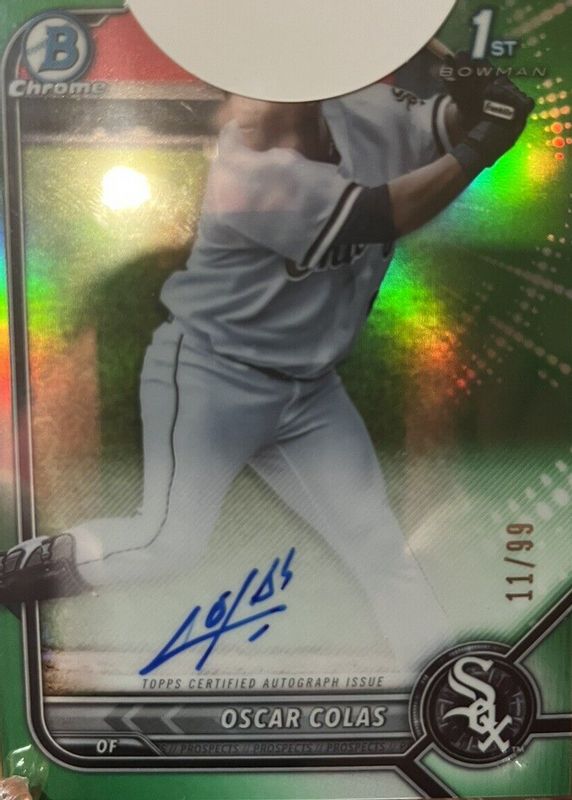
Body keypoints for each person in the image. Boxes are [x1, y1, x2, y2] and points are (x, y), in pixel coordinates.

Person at [0, 61, 534, 670]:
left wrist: (473, 97)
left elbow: (445, 125)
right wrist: (484, 142)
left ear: (305, 89)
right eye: (235, 93)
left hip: (310, 393)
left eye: (253, 88)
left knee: (380, 548)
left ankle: (448, 684)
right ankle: (24, 570)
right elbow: (386, 213)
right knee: (168, 545)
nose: (237, 111)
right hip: (211, 377)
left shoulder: (368, 112)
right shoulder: (246, 171)